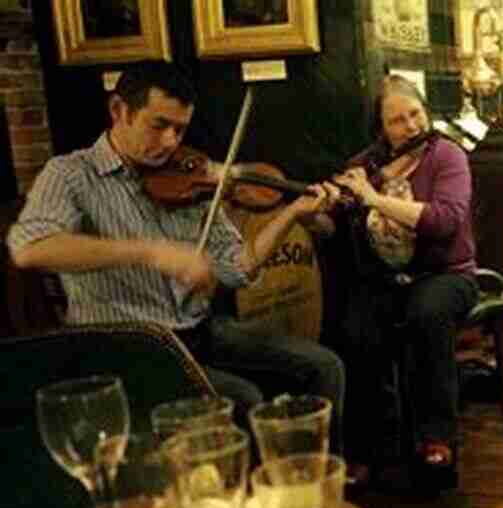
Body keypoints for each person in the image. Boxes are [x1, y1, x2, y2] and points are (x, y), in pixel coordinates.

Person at [6, 62, 347, 425]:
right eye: (159, 125)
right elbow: (30, 248)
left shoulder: (190, 175)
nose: (171, 142)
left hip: (196, 331)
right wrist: (149, 251)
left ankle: (318, 475)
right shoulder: (71, 174)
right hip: (127, 347)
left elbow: (238, 266)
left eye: (180, 129)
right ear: (119, 110)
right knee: (243, 399)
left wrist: (292, 212)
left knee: (324, 367)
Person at [326, 74, 478, 492]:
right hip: (389, 279)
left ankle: (436, 438)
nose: (411, 127)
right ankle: (366, 448)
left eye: (415, 114)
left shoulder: (447, 156)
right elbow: (338, 218)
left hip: (448, 275)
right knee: (357, 327)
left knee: (426, 313)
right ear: (382, 128)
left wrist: (373, 200)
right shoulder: (366, 165)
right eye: (397, 121)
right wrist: (329, 202)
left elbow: (445, 222)